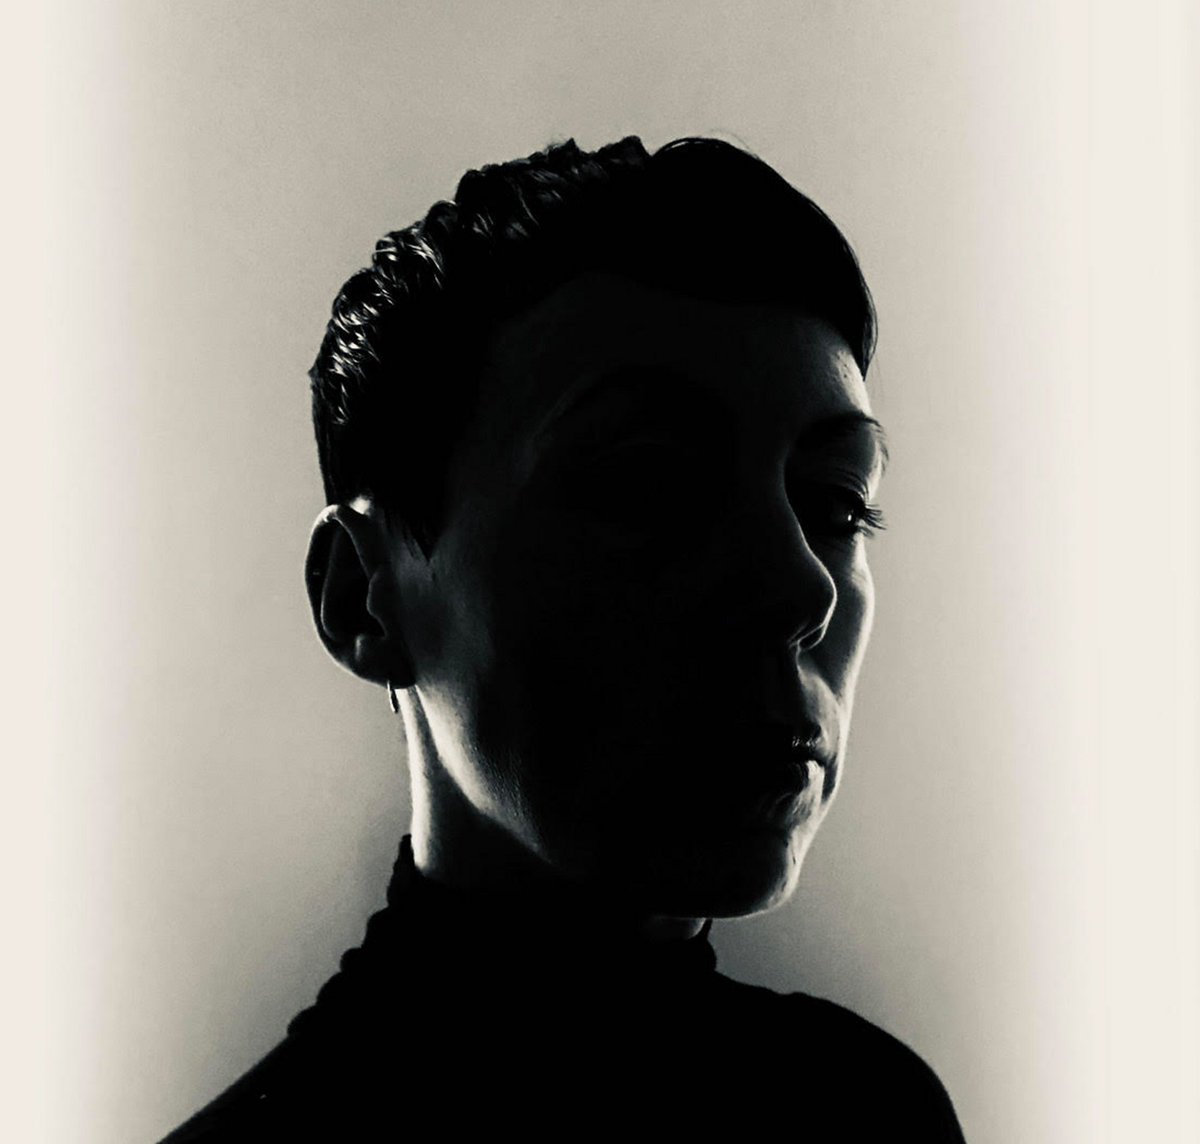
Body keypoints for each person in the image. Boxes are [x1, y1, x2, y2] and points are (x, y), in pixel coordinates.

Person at [161, 135, 966, 1140]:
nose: (800, 585)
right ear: (364, 599)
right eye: (648, 484)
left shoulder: (873, 1114)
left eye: (839, 505)